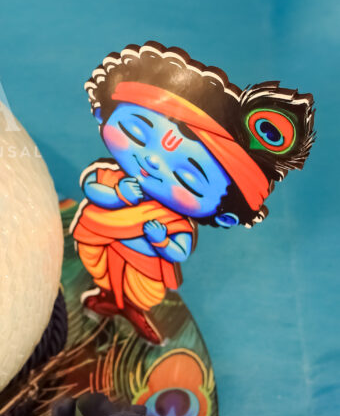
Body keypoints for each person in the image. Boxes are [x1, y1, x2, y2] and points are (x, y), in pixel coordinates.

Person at [71, 43, 314, 344]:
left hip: (143, 265)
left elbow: (179, 251)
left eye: (189, 178)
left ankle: (130, 311)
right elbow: (92, 189)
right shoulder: (113, 177)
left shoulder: (177, 223)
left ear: (225, 216)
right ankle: (106, 299)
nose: (153, 161)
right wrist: (117, 194)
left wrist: (161, 241)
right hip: (102, 249)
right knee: (101, 275)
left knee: (140, 294)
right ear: (101, 114)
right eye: (136, 133)